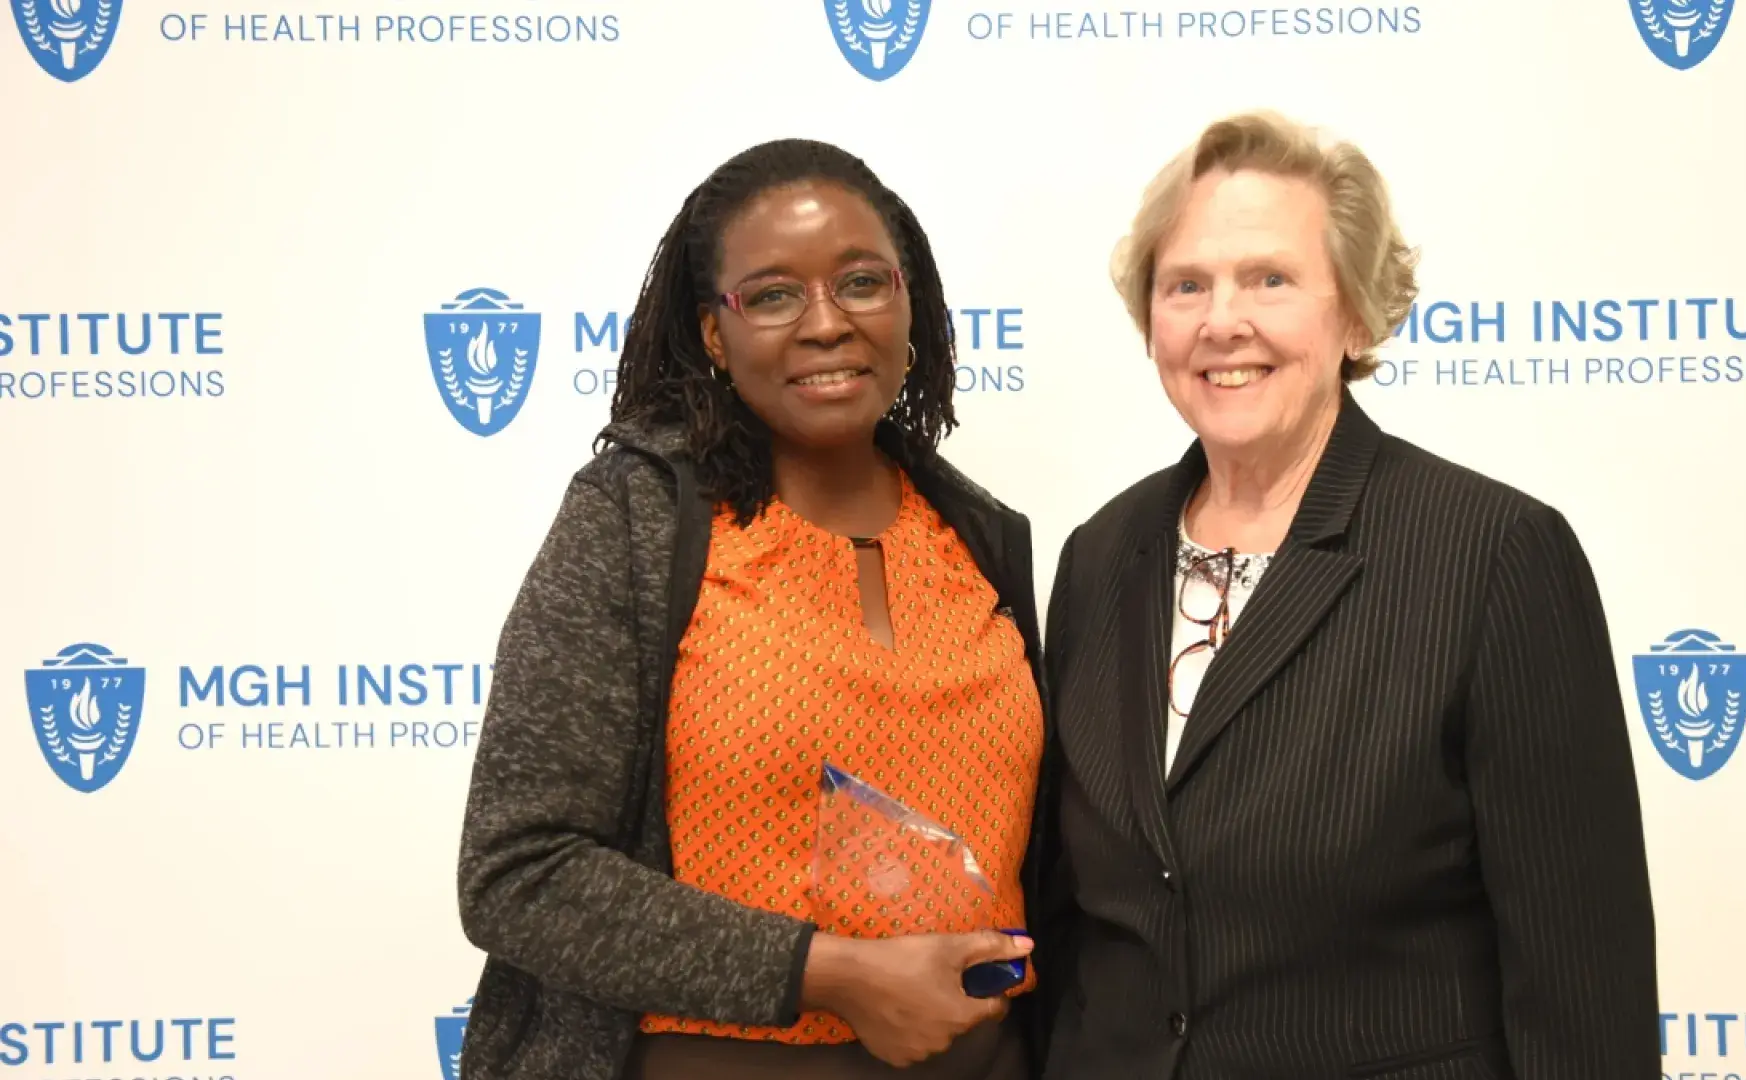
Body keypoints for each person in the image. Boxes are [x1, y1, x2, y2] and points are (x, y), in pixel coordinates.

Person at [1038, 110, 1660, 1080]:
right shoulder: (1099, 557)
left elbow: (1582, 982)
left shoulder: (1493, 555)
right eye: (1186, 284)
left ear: (1357, 314)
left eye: (1270, 280)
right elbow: (1085, 932)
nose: (1221, 320)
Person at [454, 138, 1059, 1080]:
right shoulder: (636, 520)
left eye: (862, 283)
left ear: (912, 303)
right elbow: (519, 875)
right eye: (773, 295)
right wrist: (832, 975)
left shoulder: (981, 537)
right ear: (711, 332)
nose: (826, 322)